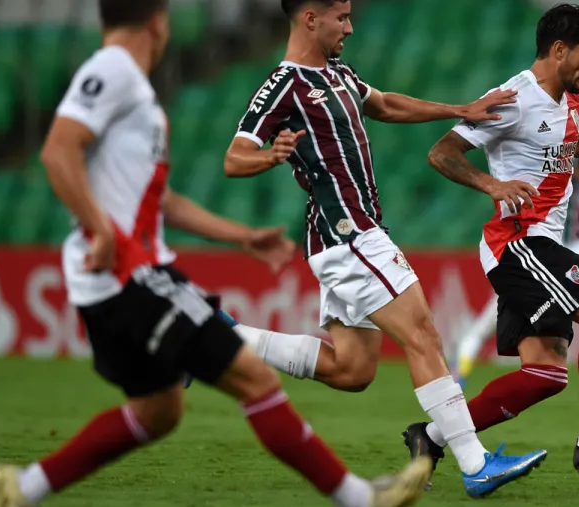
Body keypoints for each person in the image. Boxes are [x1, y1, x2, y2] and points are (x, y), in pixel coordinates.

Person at [0, 2, 433, 506]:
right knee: (253, 379)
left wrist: (239, 236)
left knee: (159, 412)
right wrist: (100, 230)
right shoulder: (113, 71)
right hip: (128, 275)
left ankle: (23, 489)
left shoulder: (134, 89)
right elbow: (57, 150)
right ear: (157, 22)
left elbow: (161, 201)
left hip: (129, 274)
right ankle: (359, 497)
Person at [223, 0, 547, 498]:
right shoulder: (283, 86)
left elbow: (385, 104)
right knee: (423, 333)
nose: (350, 27)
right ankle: (475, 463)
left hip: (350, 236)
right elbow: (234, 157)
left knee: (351, 370)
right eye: (341, 17)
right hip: (349, 233)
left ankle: (219, 337)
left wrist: (457, 110)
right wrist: (270, 156)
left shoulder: (338, 74)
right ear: (311, 18)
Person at [401, 3, 579, 486]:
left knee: (546, 374)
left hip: (534, 247)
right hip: (520, 243)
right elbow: (441, 152)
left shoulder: (567, 96)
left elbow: (573, 140)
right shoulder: (513, 98)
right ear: (558, 49)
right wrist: (492, 186)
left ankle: (432, 436)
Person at [449, 76, 579, 405]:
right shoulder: (535, 108)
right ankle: (465, 350)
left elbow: (576, 157)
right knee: (525, 299)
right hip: (537, 232)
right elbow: (556, 162)